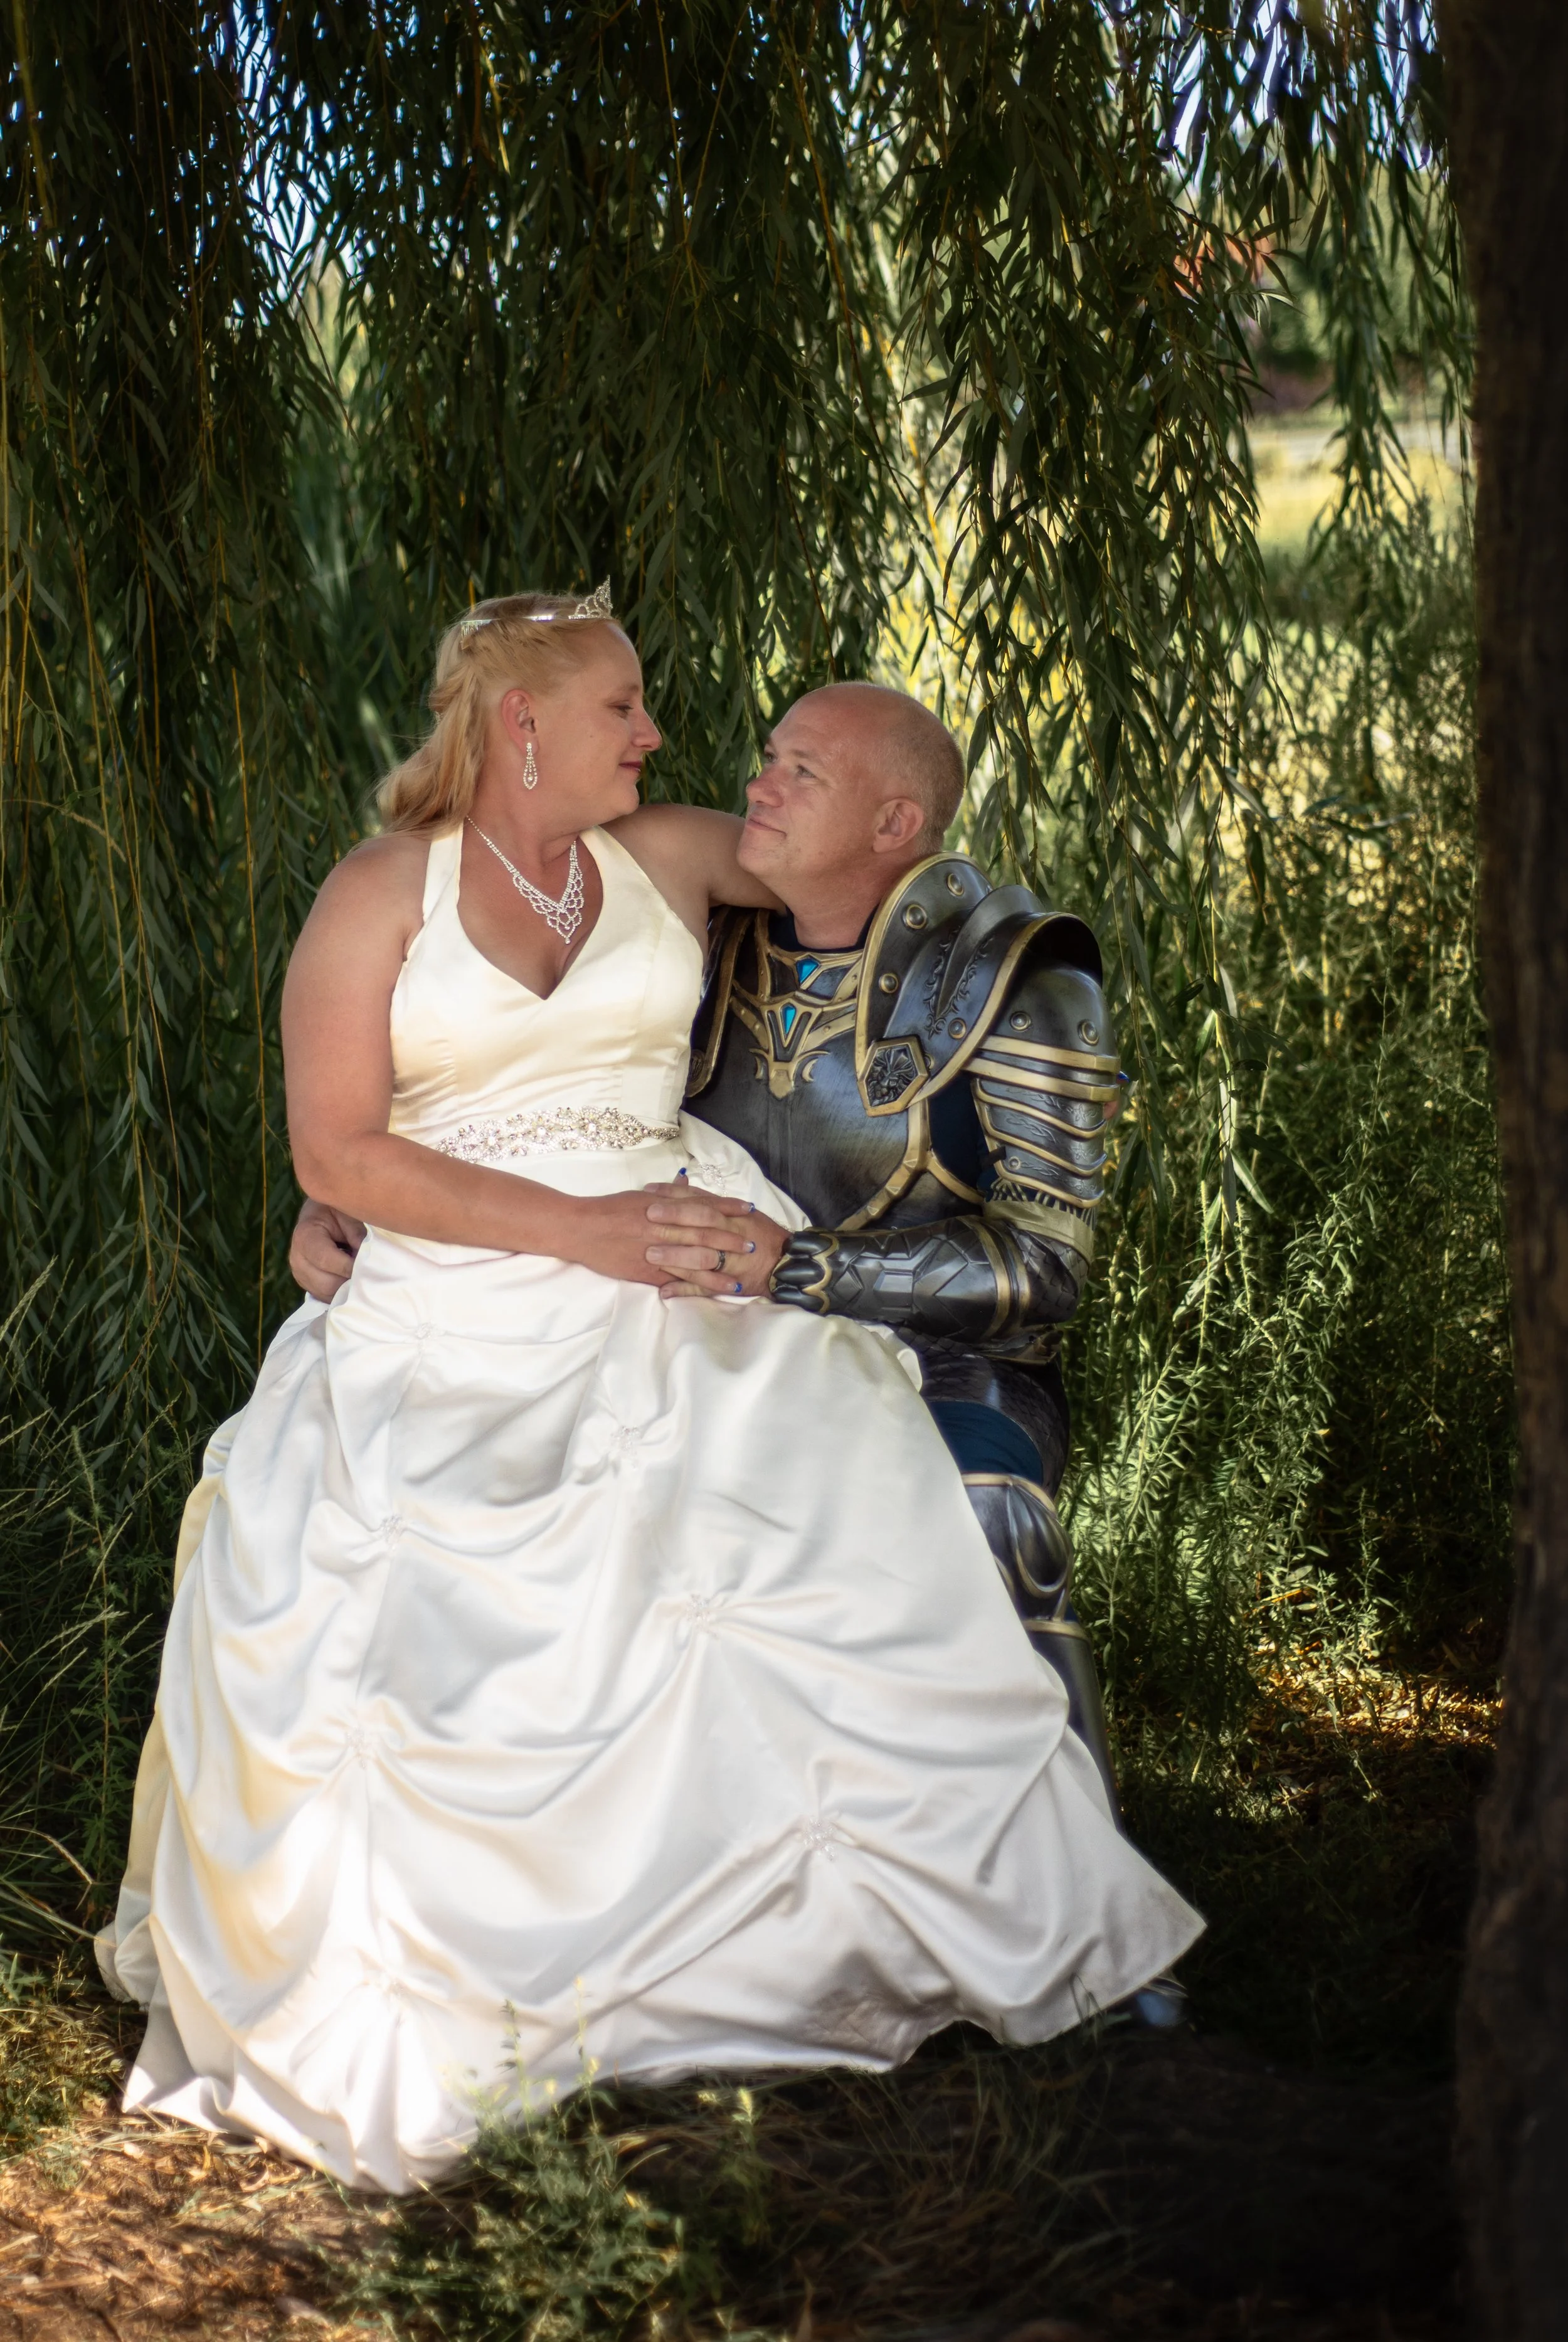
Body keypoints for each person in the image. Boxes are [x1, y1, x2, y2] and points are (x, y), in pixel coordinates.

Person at [99, 587, 1200, 2195]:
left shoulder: (669, 854)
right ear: (520, 725)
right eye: (624, 705)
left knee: (763, 1532)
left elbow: (866, 853)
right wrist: (507, 1224)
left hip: (673, 1245)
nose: (660, 734)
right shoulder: (373, 897)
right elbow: (338, 1148)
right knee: (391, 1589)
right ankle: (460, 1967)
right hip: (463, 1281)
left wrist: (1015, 977)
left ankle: (812, 1937)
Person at [299, 682, 1127, 1816]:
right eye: (769, 756)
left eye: (802, 773)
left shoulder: (1016, 976)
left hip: (945, 1354)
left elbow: (1045, 1272)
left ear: (895, 827)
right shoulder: (698, 930)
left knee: (981, 1500)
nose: (757, 782)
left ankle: (1074, 1880)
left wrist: (792, 1267)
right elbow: (537, 1090)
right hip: (711, 1323)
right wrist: (360, 1191)